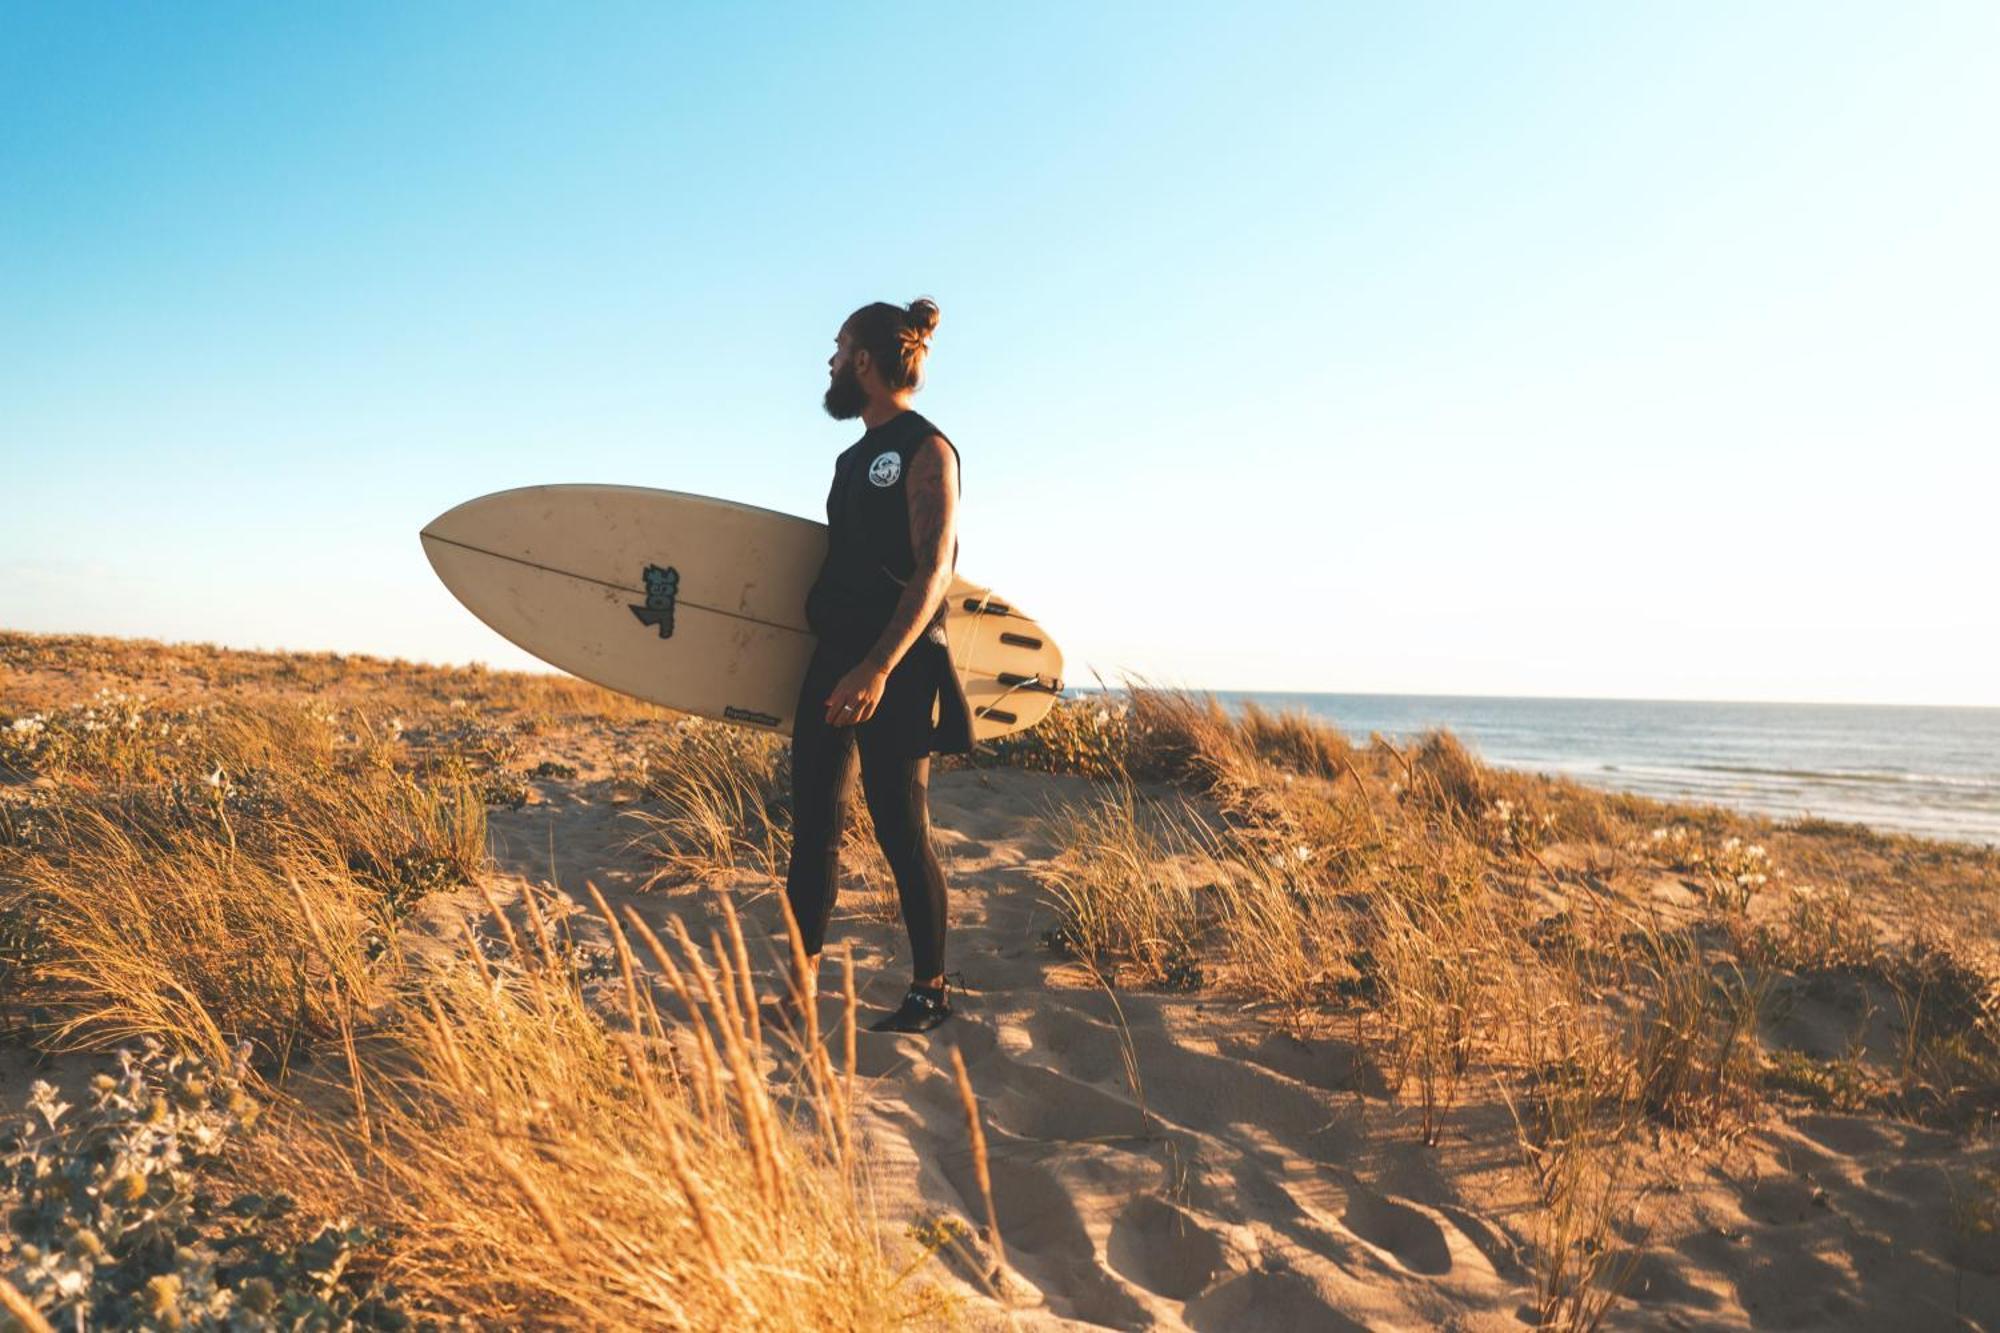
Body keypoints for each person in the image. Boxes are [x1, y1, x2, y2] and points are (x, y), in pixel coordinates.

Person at [782, 296, 974, 1034]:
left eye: (837, 349)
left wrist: (878, 667)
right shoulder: (850, 456)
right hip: (833, 660)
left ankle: (929, 990)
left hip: (893, 666)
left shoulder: (929, 449)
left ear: (864, 359)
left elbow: (933, 572)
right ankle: (800, 988)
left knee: (900, 829)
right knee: (814, 827)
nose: (829, 362)